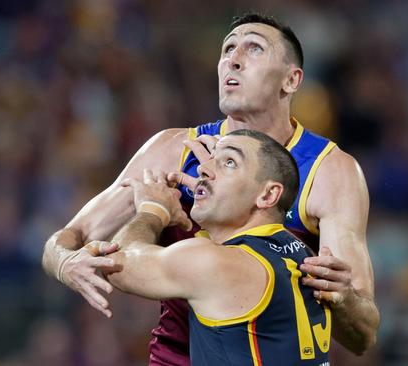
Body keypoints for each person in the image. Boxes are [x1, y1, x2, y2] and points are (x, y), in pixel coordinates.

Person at [42, 13, 379, 365]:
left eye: (254, 49)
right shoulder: (171, 151)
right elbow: (66, 240)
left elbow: (363, 334)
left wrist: (344, 300)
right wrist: (66, 264)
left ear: (292, 80)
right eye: (228, 48)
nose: (233, 59)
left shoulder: (329, 171)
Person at [94, 130, 331, 365]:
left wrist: (153, 210)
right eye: (211, 159)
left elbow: (117, 263)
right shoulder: (303, 254)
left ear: (268, 195)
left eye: (229, 162)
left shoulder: (215, 261)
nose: (202, 169)